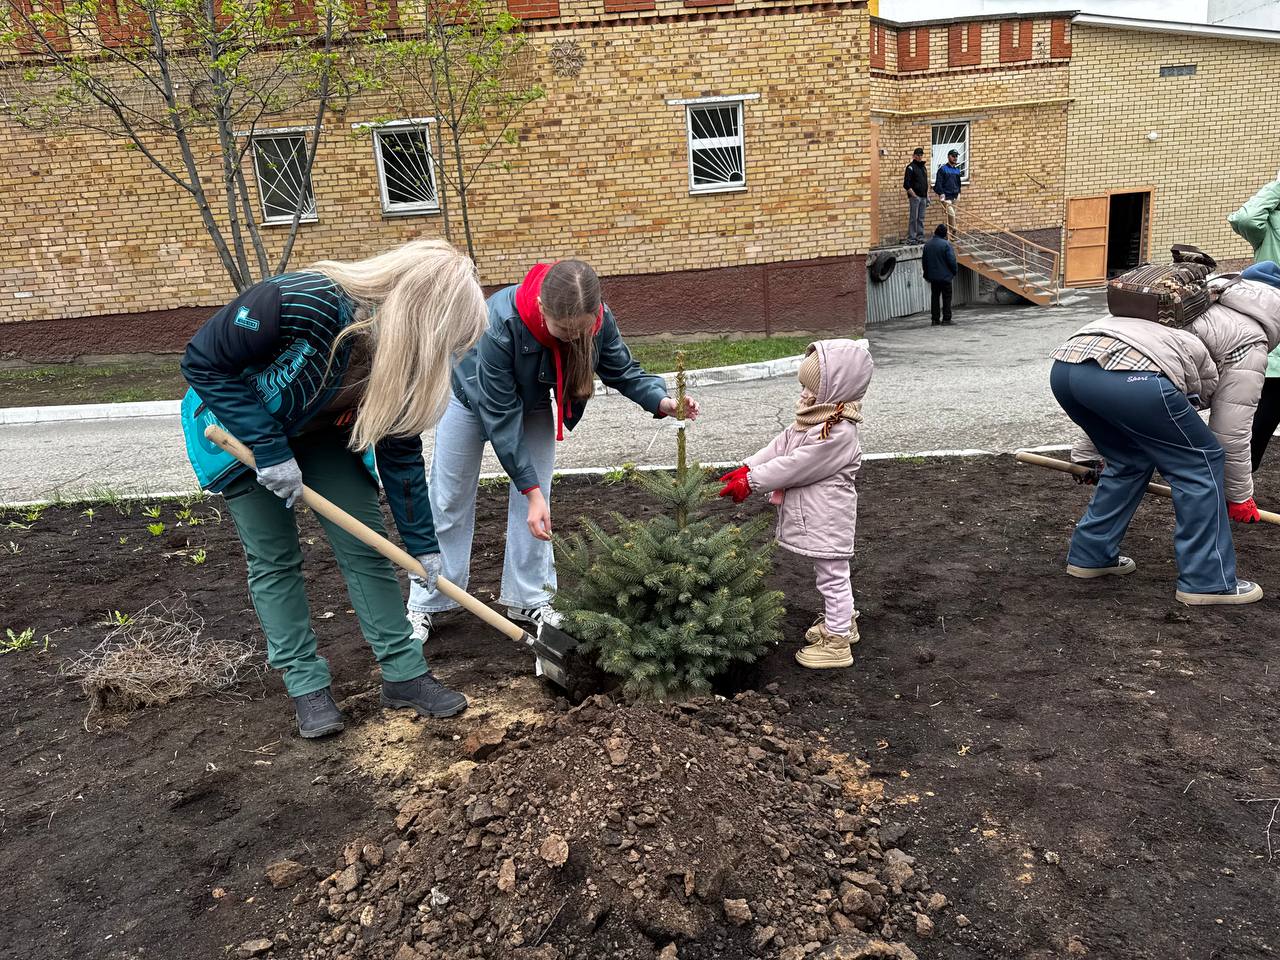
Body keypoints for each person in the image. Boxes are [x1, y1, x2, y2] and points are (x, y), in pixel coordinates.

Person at [180, 240, 488, 737]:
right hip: (237, 429)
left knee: (368, 544)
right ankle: (306, 685)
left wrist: (423, 545)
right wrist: (270, 448)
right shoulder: (299, 301)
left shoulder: (404, 357)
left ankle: (405, 674)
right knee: (275, 558)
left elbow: (401, 454)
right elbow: (202, 361)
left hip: (321, 434)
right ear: (420, 315)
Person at [406, 259, 701, 642]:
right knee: (448, 500)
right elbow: (500, 416)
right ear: (542, 308)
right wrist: (528, 487)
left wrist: (662, 401)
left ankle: (529, 598)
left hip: (530, 403)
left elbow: (623, 370)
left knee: (536, 508)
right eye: (564, 331)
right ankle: (427, 602)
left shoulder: (597, 321)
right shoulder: (499, 322)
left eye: (582, 331)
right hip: (468, 398)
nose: (573, 339)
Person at [1048, 271, 1280, 605]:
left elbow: (1109, 377)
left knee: (1129, 459)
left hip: (1068, 367)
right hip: (1133, 379)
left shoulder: (1189, 300)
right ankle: (1207, 582)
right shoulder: (1250, 336)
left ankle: (1090, 556)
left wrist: (1086, 453)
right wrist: (1239, 496)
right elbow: (1231, 431)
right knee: (1200, 463)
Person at [718, 340, 873, 669]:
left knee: (832, 576)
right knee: (829, 574)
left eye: (811, 388)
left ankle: (837, 642)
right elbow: (783, 444)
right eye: (802, 385)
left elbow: (797, 464)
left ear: (834, 390)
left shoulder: (839, 432)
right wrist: (748, 466)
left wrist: (753, 481)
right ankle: (843, 622)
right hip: (817, 515)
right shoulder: (816, 417)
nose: (803, 393)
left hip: (829, 518)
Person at [1227, 176, 1280, 469]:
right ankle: (1229, 489)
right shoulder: (1271, 227)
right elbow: (1246, 219)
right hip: (1271, 356)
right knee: (1249, 440)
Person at [922, 223, 958, 326]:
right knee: (946, 297)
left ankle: (935, 319)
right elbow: (952, 261)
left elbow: (924, 261)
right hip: (945, 277)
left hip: (933, 277)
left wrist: (926, 274)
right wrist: (954, 271)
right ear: (944, 234)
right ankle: (946, 319)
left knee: (935, 297)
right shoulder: (946, 245)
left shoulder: (927, 245)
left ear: (936, 232)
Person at [903, 147, 930, 244]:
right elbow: (906, 184)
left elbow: (925, 183)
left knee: (921, 218)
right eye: (918, 155)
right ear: (914, 156)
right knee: (914, 218)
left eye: (921, 155)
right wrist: (913, 195)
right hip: (915, 197)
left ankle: (920, 237)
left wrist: (927, 195)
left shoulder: (923, 167)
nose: (920, 157)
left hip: (923, 196)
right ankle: (912, 238)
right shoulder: (910, 167)